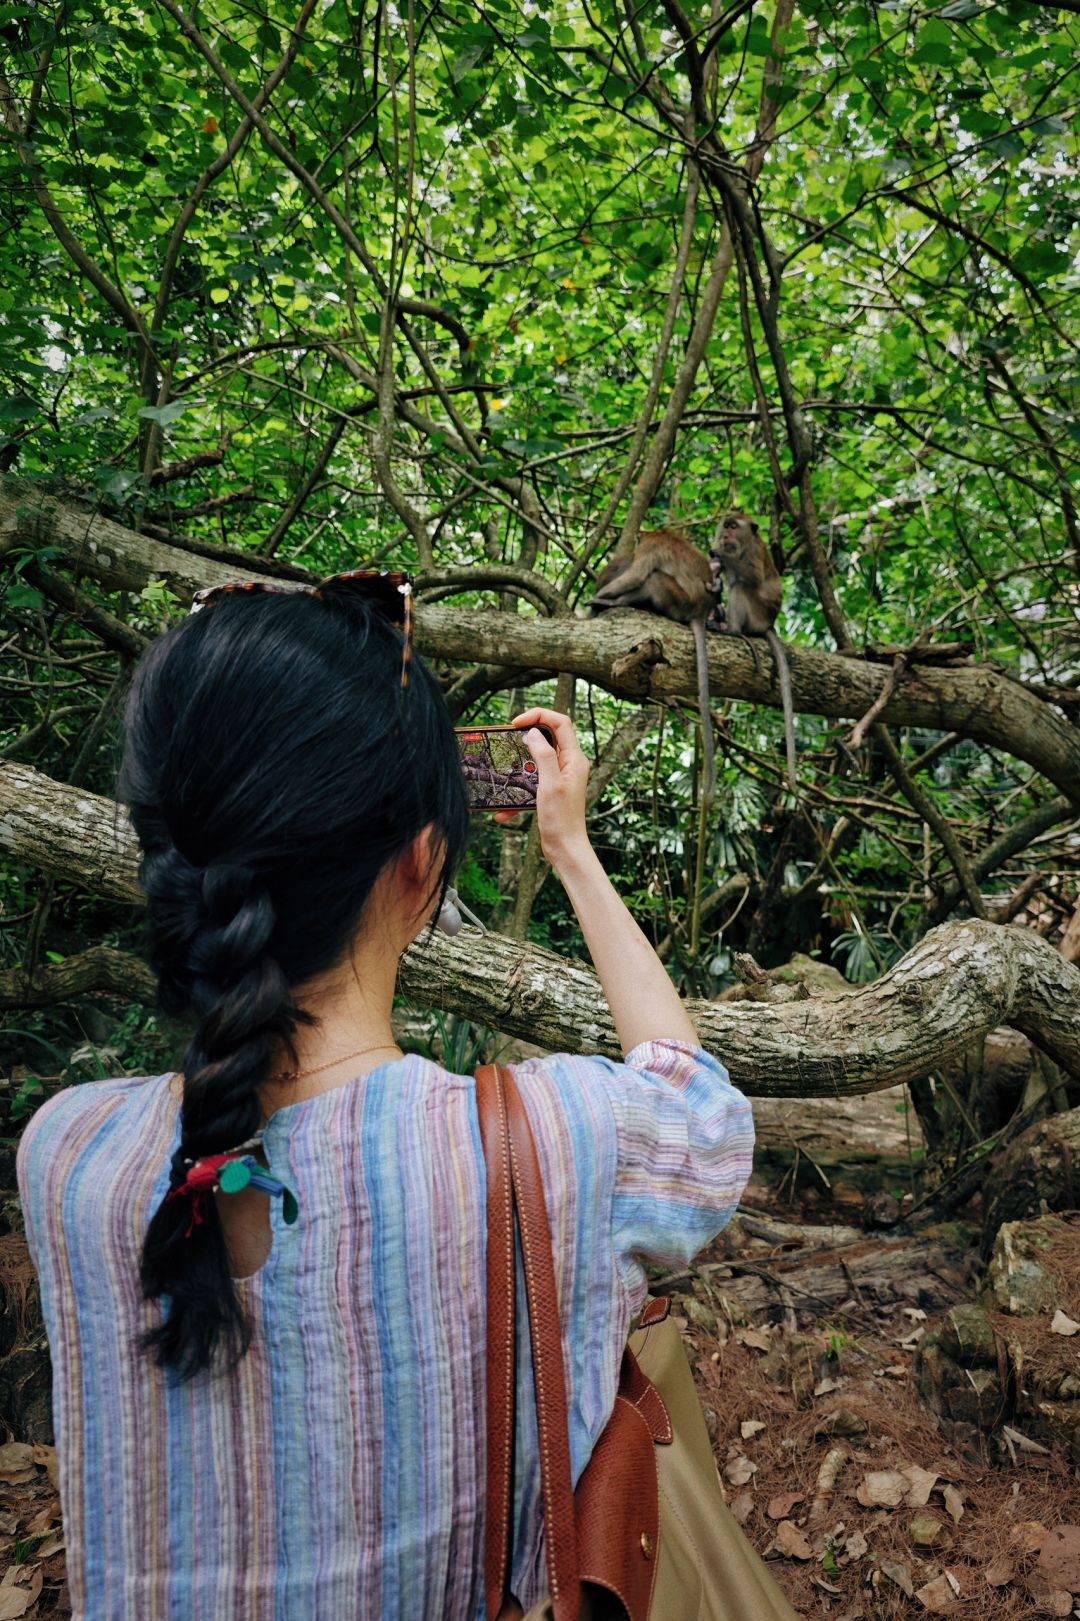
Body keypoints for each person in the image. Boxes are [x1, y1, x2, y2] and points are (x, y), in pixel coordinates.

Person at [17, 576, 754, 1620]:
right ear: (422, 868)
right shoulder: (555, 1144)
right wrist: (573, 853)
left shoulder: (65, 1157)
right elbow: (703, 1113)